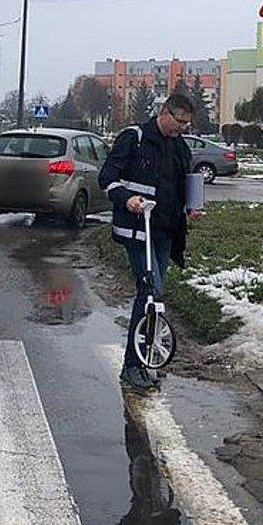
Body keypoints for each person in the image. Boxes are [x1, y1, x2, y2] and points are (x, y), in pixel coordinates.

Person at [99, 92, 202, 393]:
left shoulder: (180, 146)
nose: (181, 127)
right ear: (164, 112)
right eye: (178, 121)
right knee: (149, 291)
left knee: (154, 297)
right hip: (138, 230)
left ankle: (146, 359)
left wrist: (192, 206)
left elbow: (185, 182)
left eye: (186, 123)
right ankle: (133, 365)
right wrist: (127, 198)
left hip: (165, 233)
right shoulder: (135, 138)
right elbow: (107, 178)